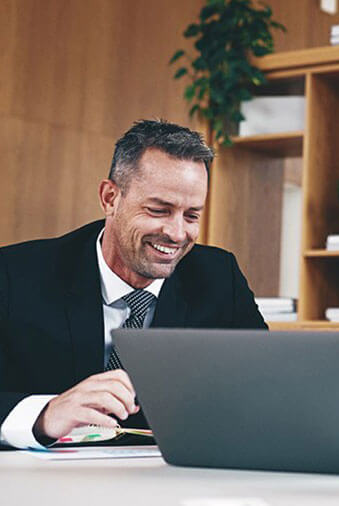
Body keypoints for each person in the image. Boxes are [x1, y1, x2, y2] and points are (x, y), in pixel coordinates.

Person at [0, 119, 267, 449]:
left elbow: (264, 391)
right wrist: (45, 414)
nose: (177, 233)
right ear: (110, 197)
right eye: (159, 210)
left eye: (192, 215)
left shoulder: (219, 277)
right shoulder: (14, 275)